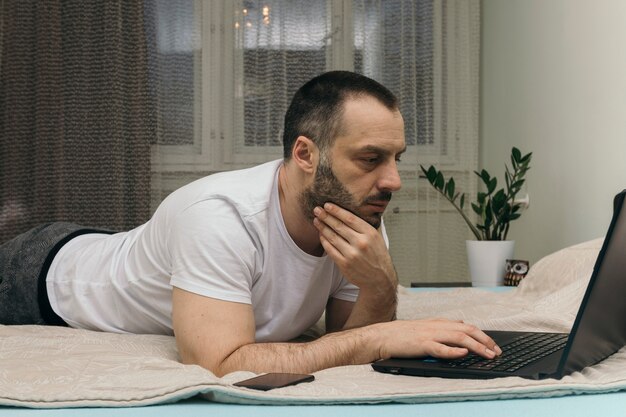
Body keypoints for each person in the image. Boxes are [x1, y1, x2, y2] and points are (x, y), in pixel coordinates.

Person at [0, 71, 501, 376]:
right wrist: (379, 337)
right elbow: (220, 363)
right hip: (45, 273)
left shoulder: (357, 210)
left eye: (396, 158)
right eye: (370, 158)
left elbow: (351, 336)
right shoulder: (219, 215)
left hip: (127, 252)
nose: (391, 180)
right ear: (305, 153)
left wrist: (381, 286)